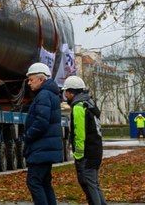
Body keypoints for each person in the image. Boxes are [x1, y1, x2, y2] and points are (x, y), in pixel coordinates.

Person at [22, 62, 63, 205]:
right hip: (46, 148)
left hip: (41, 148)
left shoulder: (43, 95)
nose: (29, 83)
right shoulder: (51, 94)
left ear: (41, 79)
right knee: (44, 183)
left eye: (31, 79)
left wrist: (27, 136)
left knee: (34, 182)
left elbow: (41, 122)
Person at [62, 76, 106, 205]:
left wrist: (78, 155)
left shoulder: (78, 107)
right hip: (96, 150)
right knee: (94, 184)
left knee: (89, 185)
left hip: (87, 153)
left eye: (65, 92)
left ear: (70, 92)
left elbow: (79, 133)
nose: (64, 95)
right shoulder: (89, 103)